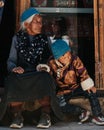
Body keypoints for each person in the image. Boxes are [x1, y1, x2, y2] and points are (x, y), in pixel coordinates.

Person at [4, 7, 64, 129]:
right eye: (37, 21)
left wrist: (45, 67)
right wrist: (14, 68)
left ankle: (45, 115)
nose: (40, 25)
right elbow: (11, 61)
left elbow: (50, 59)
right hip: (22, 73)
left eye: (41, 22)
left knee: (46, 78)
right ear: (27, 24)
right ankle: (17, 115)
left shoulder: (44, 38)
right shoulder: (17, 39)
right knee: (12, 80)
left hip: (38, 73)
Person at [48, 39, 104, 125]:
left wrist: (88, 84)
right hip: (63, 91)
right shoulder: (51, 63)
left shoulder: (75, 59)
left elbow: (82, 72)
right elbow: (49, 77)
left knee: (91, 91)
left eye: (68, 54)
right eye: (64, 56)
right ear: (58, 58)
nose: (68, 57)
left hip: (77, 87)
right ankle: (82, 112)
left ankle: (97, 115)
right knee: (59, 106)